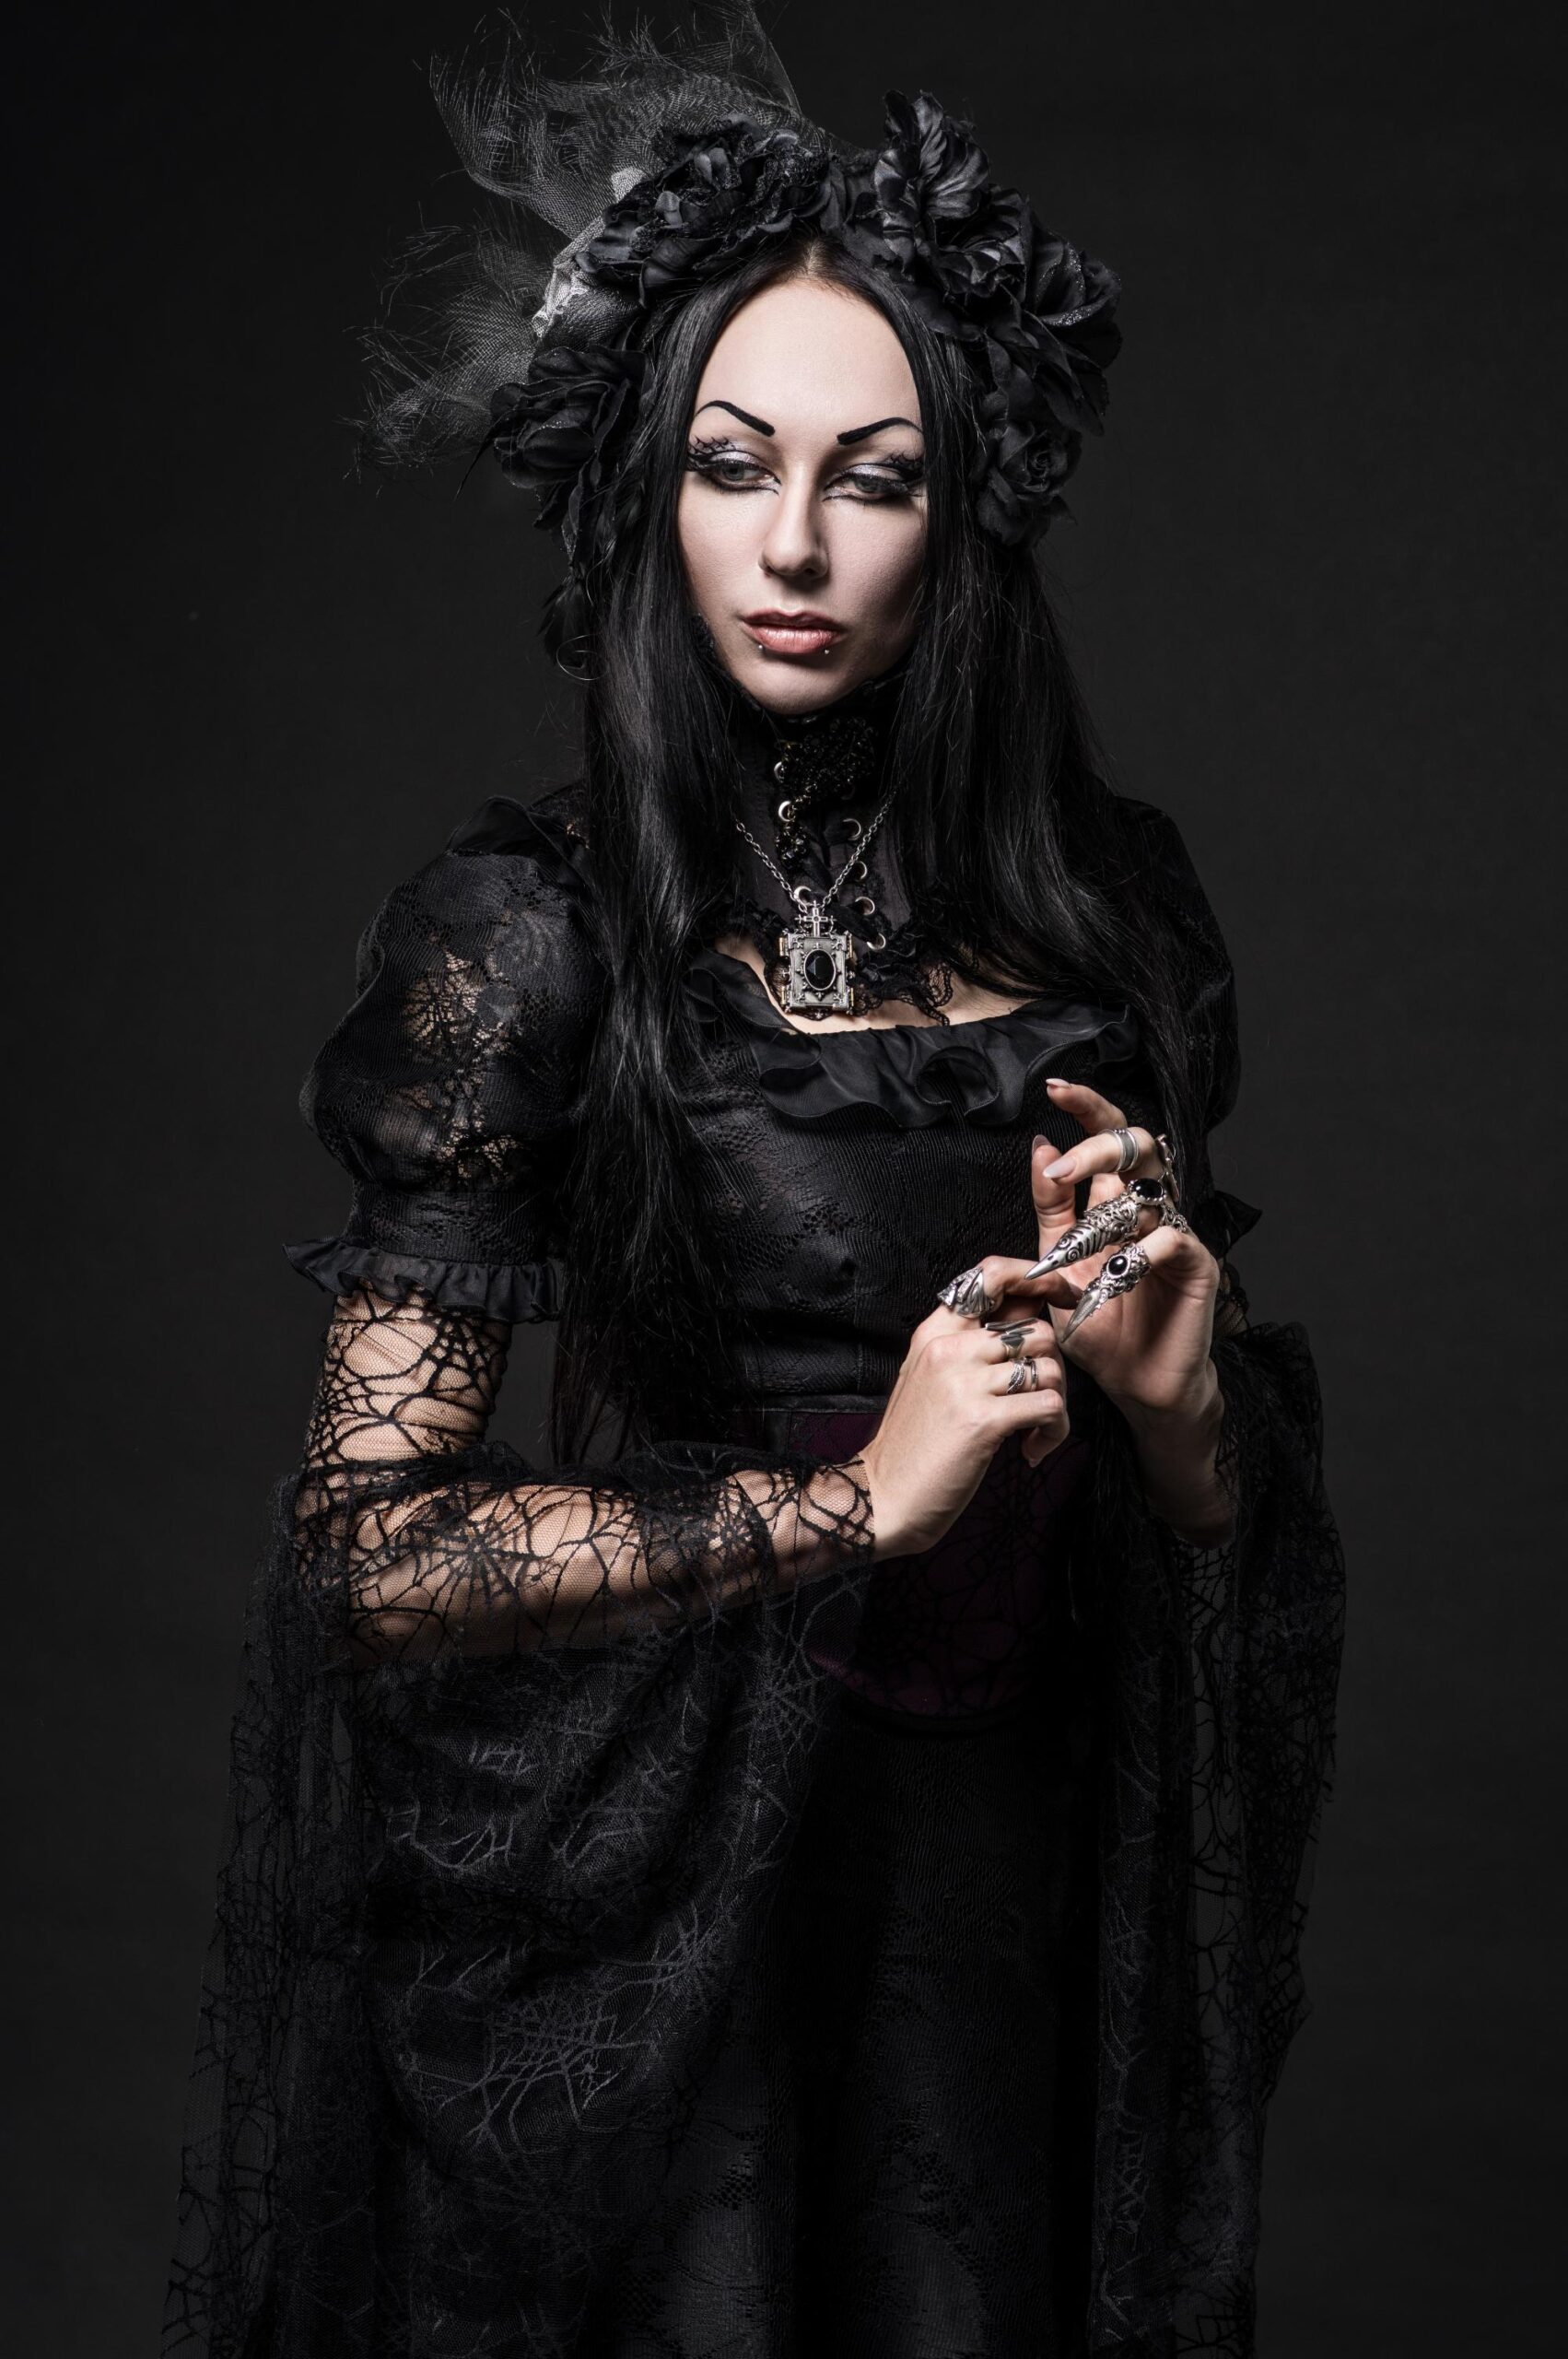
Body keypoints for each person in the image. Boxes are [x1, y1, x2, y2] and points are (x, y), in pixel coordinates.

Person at [162, 11, 1344, 2354]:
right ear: (649, 487)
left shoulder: (1112, 929)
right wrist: (842, 1511)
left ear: (963, 515)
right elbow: (364, 1554)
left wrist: (1181, 1417)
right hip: (657, 1909)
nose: (793, 543)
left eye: (872, 477)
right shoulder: (525, 938)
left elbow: (1210, 1551)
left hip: (1007, 1912)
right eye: (734, 463)